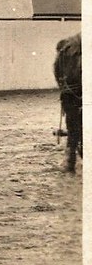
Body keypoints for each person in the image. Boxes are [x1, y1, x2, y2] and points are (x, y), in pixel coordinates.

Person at [53, 32, 82, 173]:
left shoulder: (66, 48)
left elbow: (57, 72)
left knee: (73, 128)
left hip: (70, 94)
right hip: (76, 93)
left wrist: (63, 89)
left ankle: (70, 161)